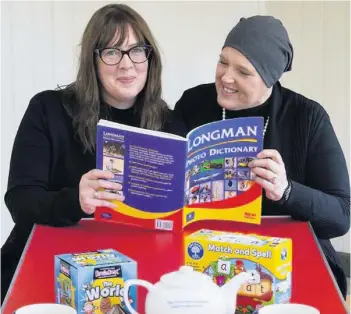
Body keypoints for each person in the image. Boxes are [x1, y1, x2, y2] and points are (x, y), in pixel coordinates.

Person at [1, 3, 185, 303]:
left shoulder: (169, 122)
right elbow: (20, 201)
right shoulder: (48, 110)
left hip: (135, 273)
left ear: (150, 57)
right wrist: (76, 200)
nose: (127, 64)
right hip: (50, 266)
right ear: (93, 61)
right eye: (111, 52)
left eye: (137, 50)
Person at [173, 16, 350, 298]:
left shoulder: (308, 117)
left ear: (270, 77)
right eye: (223, 62)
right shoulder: (192, 103)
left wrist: (287, 191)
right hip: (206, 253)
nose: (226, 77)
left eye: (243, 72)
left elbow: (341, 217)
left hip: (287, 261)